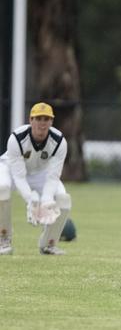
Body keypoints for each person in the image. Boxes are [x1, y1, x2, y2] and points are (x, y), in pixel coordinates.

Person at [0, 102, 72, 255]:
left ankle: (48, 244)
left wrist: (45, 201)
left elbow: (53, 177)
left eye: (46, 119)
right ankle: (3, 238)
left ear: (51, 122)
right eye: (38, 119)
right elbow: (19, 176)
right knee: (2, 188)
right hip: (10, 169)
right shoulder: (17, 138)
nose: (42, 123)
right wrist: (31, 200)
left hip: (41, 172)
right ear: (31, 120)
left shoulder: (59, 142)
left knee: (63, 199)